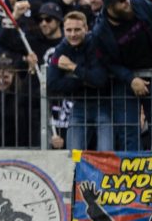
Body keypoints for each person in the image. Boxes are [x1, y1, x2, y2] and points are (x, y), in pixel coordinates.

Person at [92, 0, 152, 151]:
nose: (127, 2)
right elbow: (107, 63)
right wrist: (130, 79)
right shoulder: (100, 31)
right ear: (109, 6)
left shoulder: (141, 5)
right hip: (124, 81)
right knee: (128, 132)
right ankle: (133, 174)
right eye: (121, 0)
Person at [47, 12, 111, 150]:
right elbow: (52, 83)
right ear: (63, 30)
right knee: (73, 156)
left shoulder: (96, 44)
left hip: (103, 105)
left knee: (106, 154)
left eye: (77, 30)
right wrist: (83, 81)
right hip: (79, 106)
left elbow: (100, 79)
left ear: (86, 29)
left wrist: (72, 67)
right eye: (68, 30)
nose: (72, 34)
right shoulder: (61, 49)